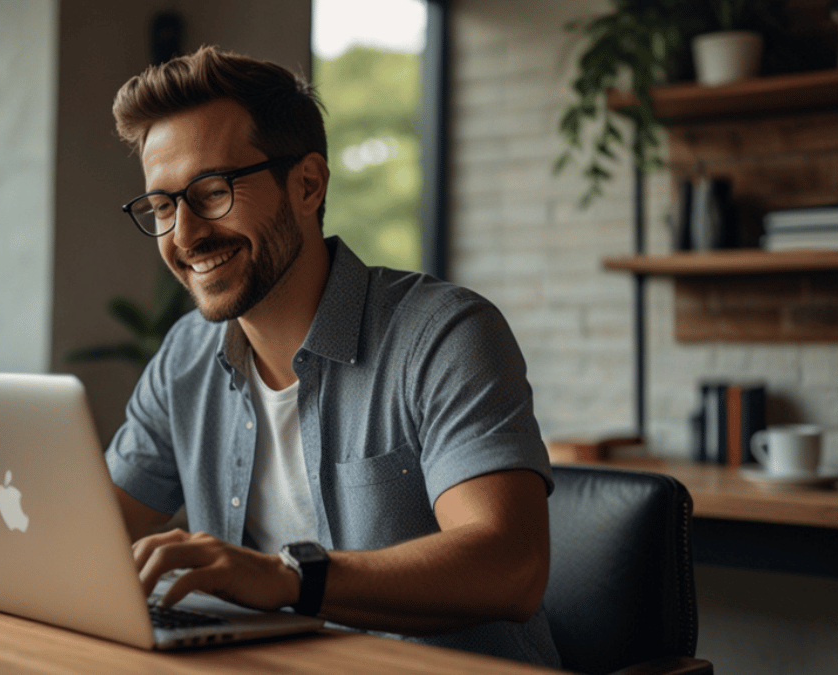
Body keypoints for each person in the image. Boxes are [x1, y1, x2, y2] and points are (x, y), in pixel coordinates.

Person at [104, 46, 560, 667]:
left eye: (212, 192)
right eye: (162, 206)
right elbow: (93, 533)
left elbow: (511, 566)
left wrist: (290, 578)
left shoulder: (444, 334)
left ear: (308, 184)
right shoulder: (185, 355)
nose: (184, 235)